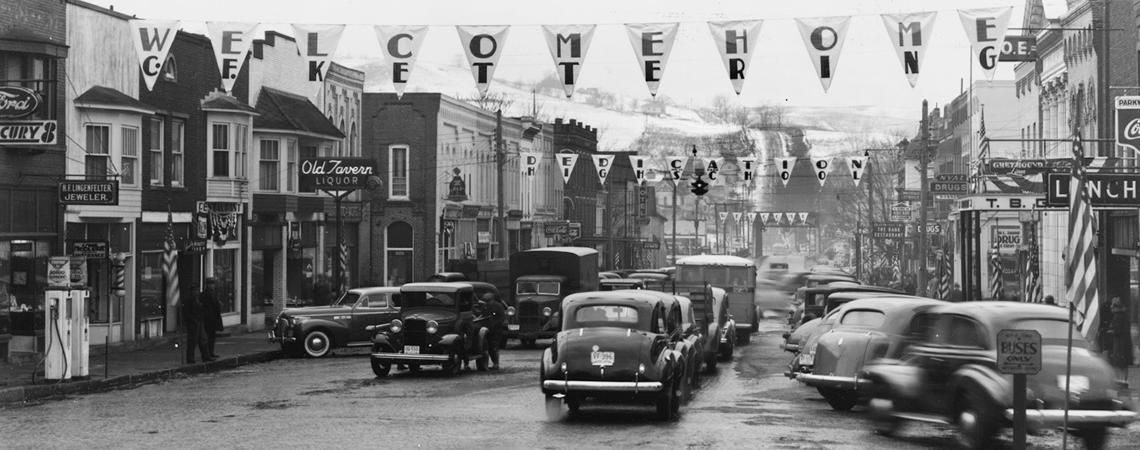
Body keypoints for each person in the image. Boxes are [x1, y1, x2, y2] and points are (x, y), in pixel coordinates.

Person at [475, 292, 507, 370]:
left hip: (496, 330)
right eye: (486, 301)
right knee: (487, 347)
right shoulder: (485, 307)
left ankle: (496, 363)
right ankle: (490, 363)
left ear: (492, 300)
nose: (487, 302)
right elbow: (482, 315)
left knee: (494, 347)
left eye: (488, 301)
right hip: (487, 329)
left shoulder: (498, 306)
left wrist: (494, 324)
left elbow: (501, 318)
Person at [1105, 296, 1134, 383]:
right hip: (1125, 344)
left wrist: (1110, 331)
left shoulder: (1117, 316)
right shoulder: (1124, 315)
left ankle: (1120, 381)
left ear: (1116, 307)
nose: (1110, 307)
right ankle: (1123, 381)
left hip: (1120, 344)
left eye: (1112, 305)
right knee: (1123, 364)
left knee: (1119, 364)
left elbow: (1117, 330)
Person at [182, 281, 212, 363]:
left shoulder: (199, 299)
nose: (196, 292)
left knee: (203, 339)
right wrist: (193, 321)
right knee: (192, 341)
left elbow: (203, 310)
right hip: (193, 324)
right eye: (195, 290)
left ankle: (206, 356)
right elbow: (186, 313)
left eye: (197, 290)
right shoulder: (188, 301)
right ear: (191, 291)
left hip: (200, 322)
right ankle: (190, 358)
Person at [200, 278, 223, 360]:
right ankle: (207, 354)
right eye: (210, 284)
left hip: (213, 319)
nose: (212, 285)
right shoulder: (204, 295)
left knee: (212, 337)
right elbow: (204, 308)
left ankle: (211, 352)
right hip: (207, 320)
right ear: (207, 285)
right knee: (207, 338)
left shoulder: (213, 294)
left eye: (213, 284)